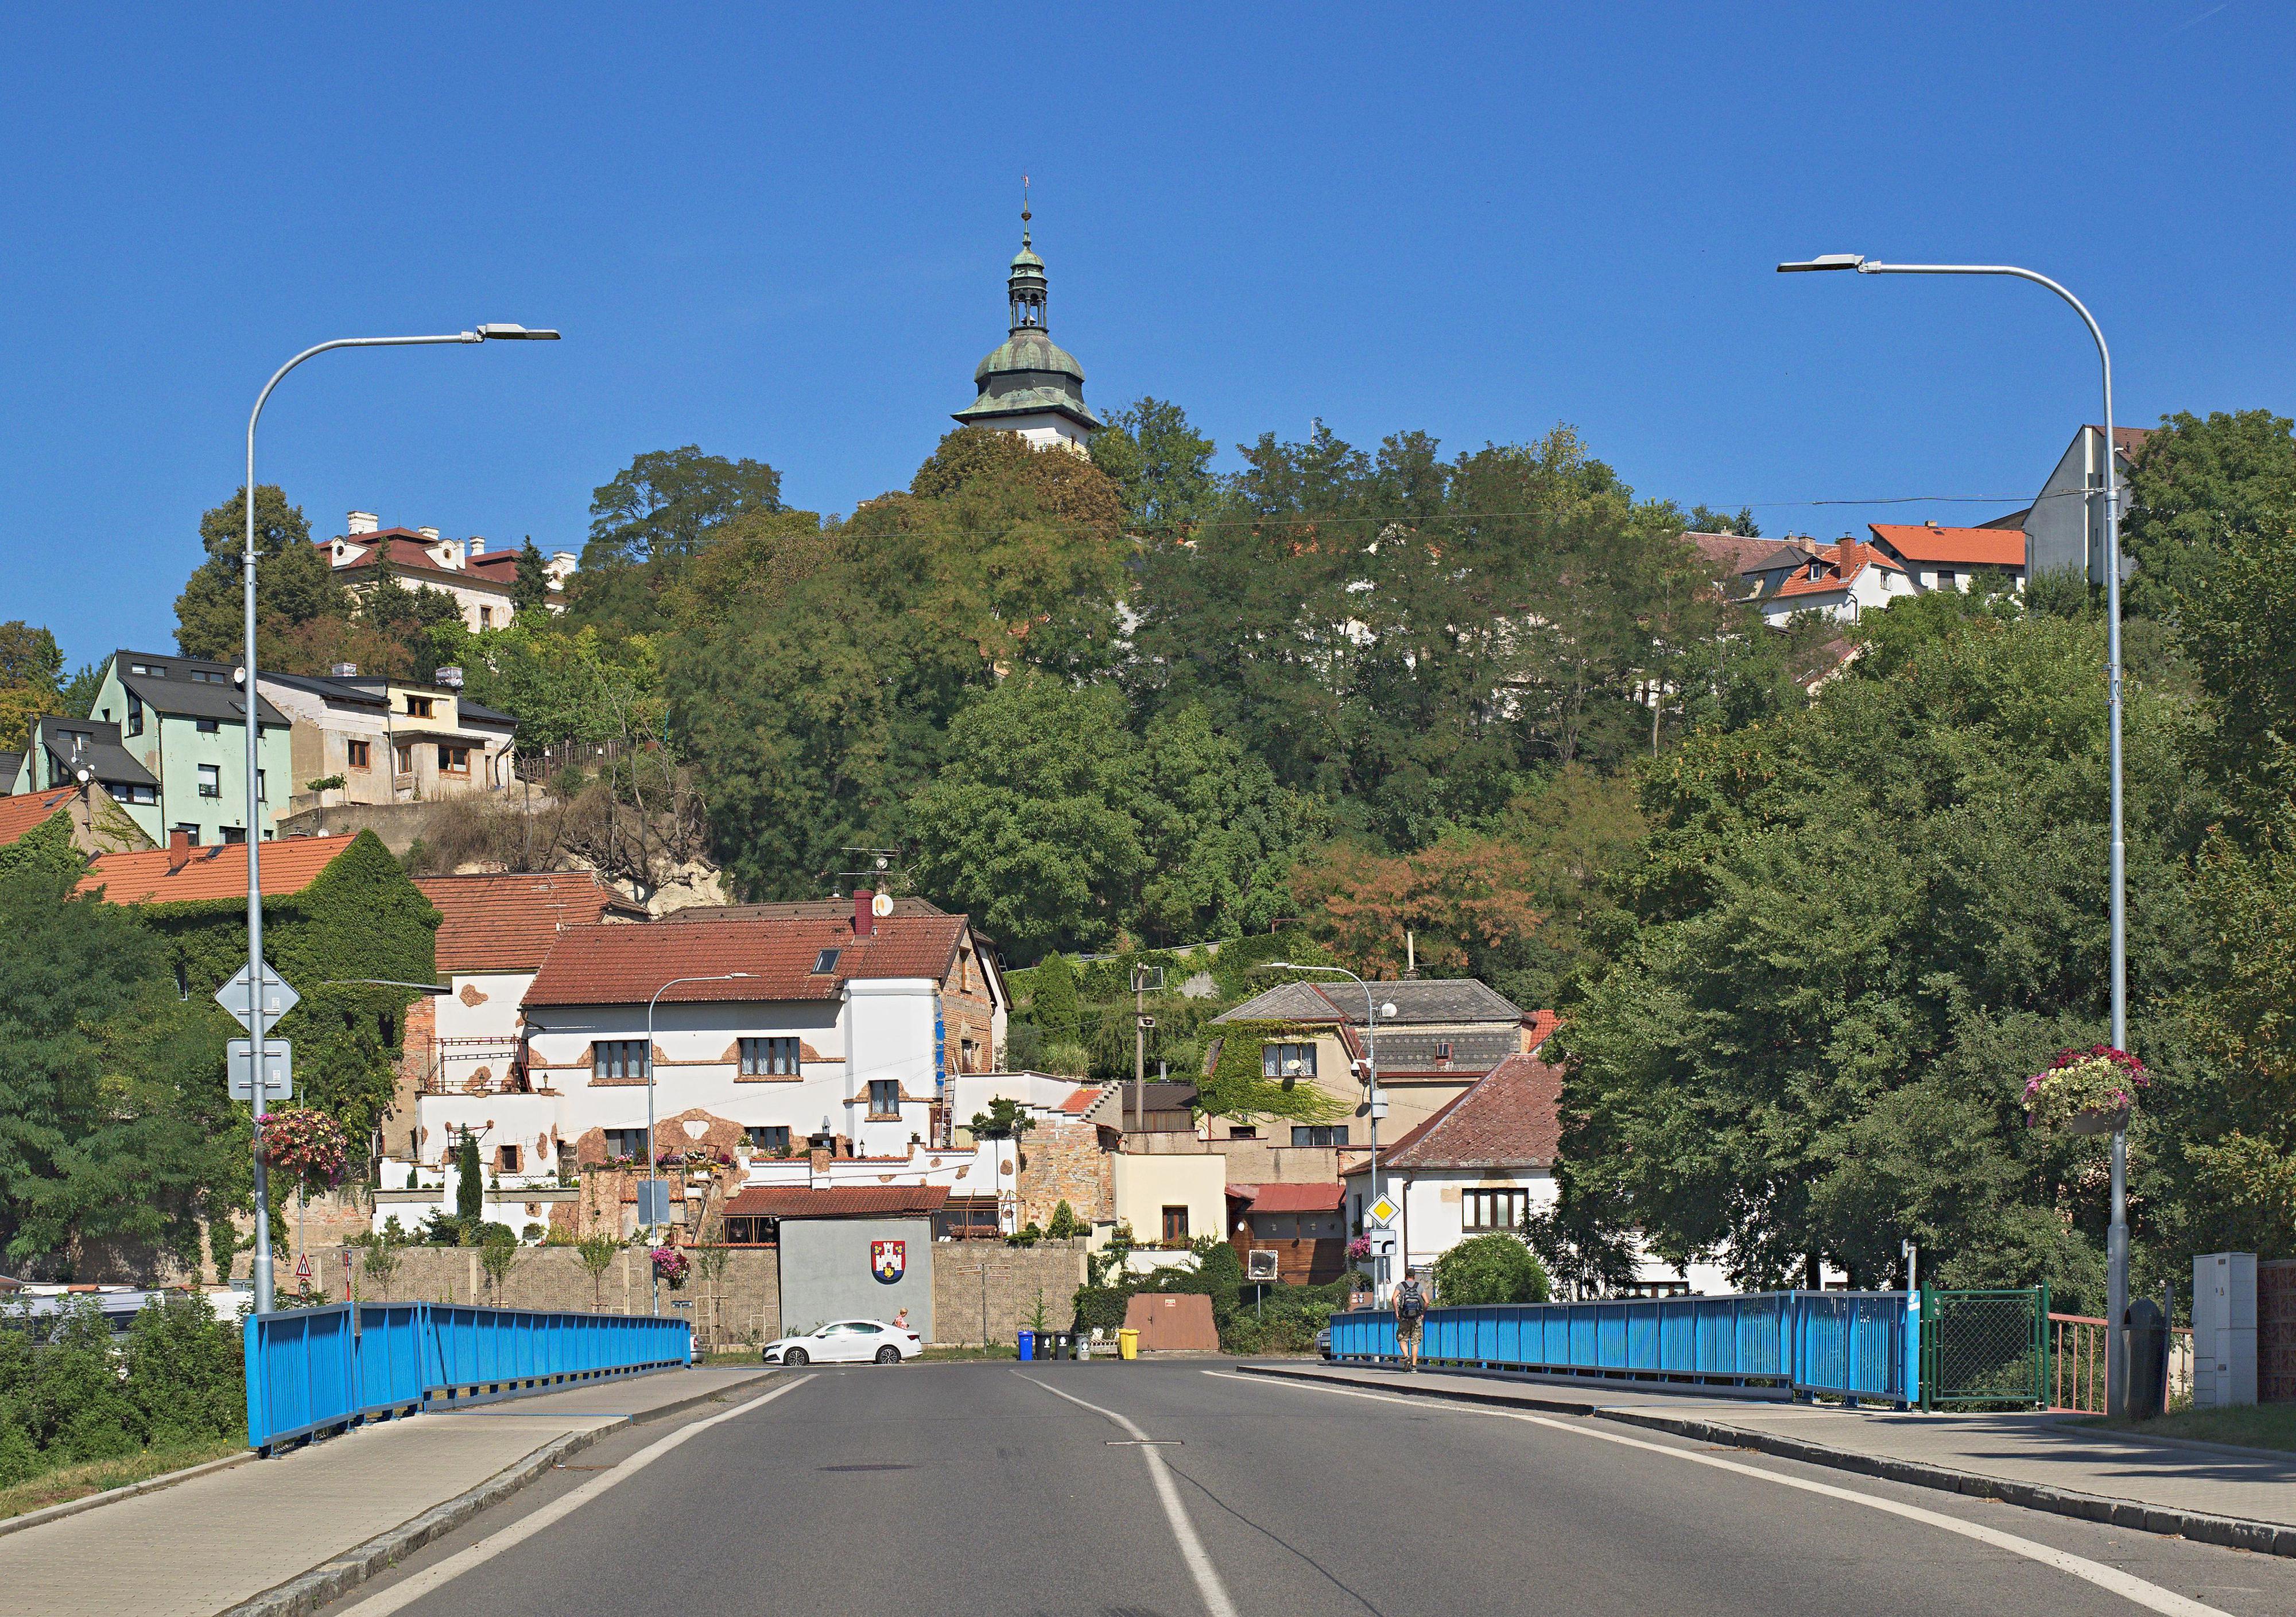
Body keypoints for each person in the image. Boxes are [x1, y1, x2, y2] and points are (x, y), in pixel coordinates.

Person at [1393, 1267, 1428, 1371]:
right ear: (1414, 1276)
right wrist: (1422, 1314)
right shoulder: (1419, 1287)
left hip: (1404, 1317)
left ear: (1406, 1276)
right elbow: (1427, 1301)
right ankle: (1414, 1367)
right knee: (1415, 1342)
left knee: (1402, 1339)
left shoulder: (1401, 1286)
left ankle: (1407, 1356)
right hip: (1416, 1318)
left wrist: (1397, 1313)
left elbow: (1394, 1298)